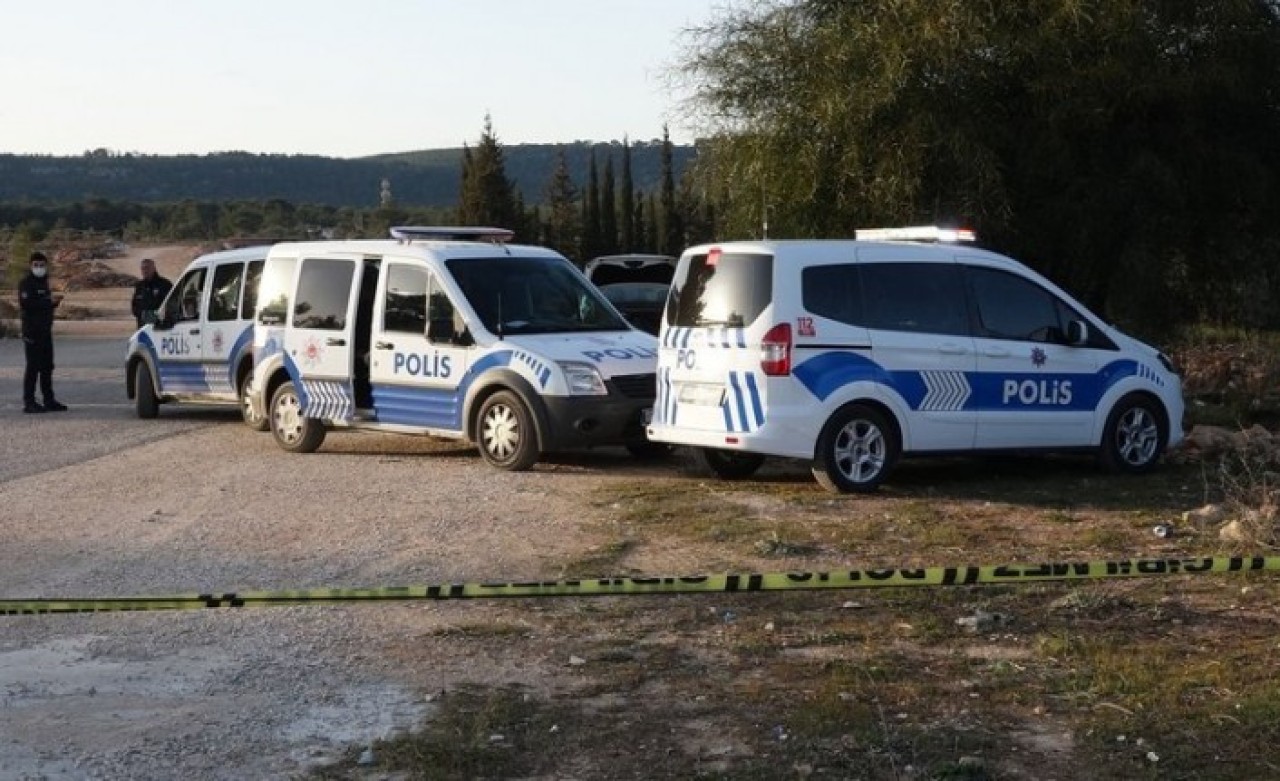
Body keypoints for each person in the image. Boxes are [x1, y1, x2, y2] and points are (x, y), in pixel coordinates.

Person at [18, 251, 67, 413]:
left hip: (45, 331)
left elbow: (43, 305)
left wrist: (53, 303)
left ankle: (49, 399)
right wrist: (47, 302)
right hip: (32, 332)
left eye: (42, 265)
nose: (39, 268)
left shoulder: (44, 284)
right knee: (33, 367)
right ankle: (29, 401)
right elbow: (27, 304)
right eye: (36, 265)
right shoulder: (26, 284)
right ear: (30, 266)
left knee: (47, 366)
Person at [132, 257, 173, 326]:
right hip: (143, 328)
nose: (145, 271)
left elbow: (171, 305)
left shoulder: (165, 284)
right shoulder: (139, 286)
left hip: (160, 327)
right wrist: (144, 315)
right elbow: (135, 307)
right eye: (143, 269)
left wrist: (154, 316)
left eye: (147, 268)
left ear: (154, 268)